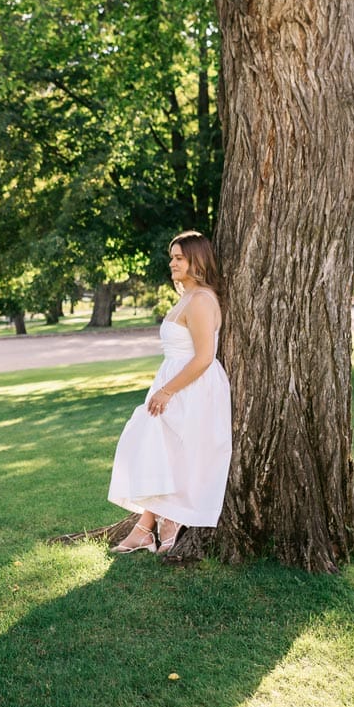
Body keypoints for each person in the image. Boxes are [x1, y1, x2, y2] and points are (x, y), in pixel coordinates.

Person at [107, 231, 232, 554]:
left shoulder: (202, 299)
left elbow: (204, 357)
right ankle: (150, 525)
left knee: (174, 452)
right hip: (173, 383)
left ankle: (161, 523)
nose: (172, 262)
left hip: (191, 387)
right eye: (172, 257)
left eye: (179, 257)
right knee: (155, 449)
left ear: (197, 261)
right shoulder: (187, 298)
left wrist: (167, 391)